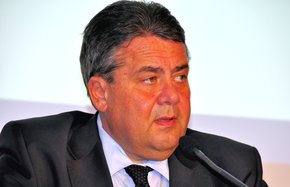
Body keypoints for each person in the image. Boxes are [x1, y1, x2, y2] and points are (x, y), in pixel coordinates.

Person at [0, 1, 268, 186]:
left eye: (180, 77)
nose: (172, 96)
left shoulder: (232, 169)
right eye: (150, 79)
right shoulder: (36, 155)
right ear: (100, 93)